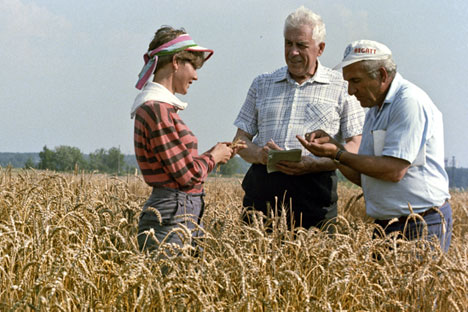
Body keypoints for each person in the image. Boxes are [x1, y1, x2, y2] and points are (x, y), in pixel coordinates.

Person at [298, 40, 452, 251]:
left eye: (356, 81)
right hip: (387, 227)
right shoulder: (374, 111)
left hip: (421, 226)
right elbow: (365, 177)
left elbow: (393, 170)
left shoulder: (408, 102)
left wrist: (339, 153)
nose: (350, 91)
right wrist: (333, 151)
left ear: (382, 75)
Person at [233, 6, 365, 229]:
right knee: (257, 260)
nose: (293, 52)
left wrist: (313, 164)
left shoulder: (341, 87)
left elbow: (355, 146)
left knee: (312, 262)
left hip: (314, 195)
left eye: (301, 45)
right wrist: (260, 154)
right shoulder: (262, 84)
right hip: (262, 193)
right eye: (288, 43)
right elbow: (240, 141)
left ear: (320, 48)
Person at [132, 26, 244, 253]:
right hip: (172, 217)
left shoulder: (159, 108)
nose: (195, 75)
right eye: (193, 66)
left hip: (179, 214)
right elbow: (186, 175)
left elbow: (179, 167)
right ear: (175, 61)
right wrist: (213, 157)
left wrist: (214, 153)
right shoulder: (157, 110)